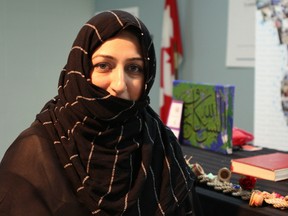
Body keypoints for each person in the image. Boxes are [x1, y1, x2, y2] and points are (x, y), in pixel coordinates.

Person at [0, 10, 196, 215]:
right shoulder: (33, 154)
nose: (120, 85)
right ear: (81, 69)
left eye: (134, 68)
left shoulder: (161, 142)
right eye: (103, 65)